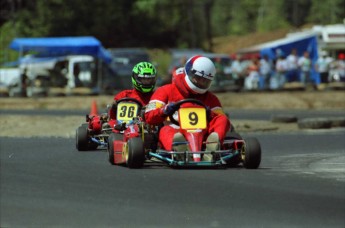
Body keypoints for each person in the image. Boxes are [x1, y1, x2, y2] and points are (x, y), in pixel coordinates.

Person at [144, 55, 230, 160]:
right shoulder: (166, 90)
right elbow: (148, 116)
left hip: (203, 136)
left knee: (223, 119)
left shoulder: (210, 98)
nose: (201, 83)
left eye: (205, 81)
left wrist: (210, 114)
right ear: (189, 72)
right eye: (198, 78)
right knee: (165, 130)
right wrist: (164, 110)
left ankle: (211, 149)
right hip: (175, 129)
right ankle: (179, 149)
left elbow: (220, 120)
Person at [106, 61, 157, 129]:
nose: (146, 82)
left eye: (149, 79)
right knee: (110, 124)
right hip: (122, 128)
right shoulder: (125, 95)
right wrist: (114, 107)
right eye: (143, 79)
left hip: (147, 129)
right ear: (135, 78)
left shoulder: (157, 96)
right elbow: (112, 117)